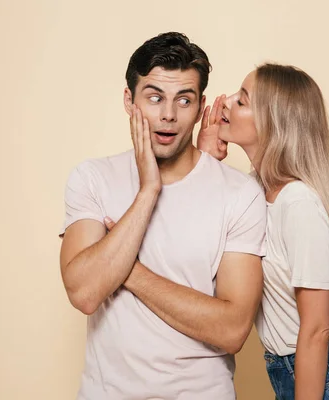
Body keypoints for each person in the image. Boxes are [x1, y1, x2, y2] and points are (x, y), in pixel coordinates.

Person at [58, 32, 267, 400]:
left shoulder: (239, 195)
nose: (168, 115)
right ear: (129, 100)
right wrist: (148, 192)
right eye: (154, 98)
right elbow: (85, 292)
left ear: (201, 105)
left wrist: (128, 270)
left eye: (183, 100)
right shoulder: (93, 178)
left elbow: (232, 330)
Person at [198, 63, 329, 400]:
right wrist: (205, 160)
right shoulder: (253, 191)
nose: (224, 101)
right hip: (293, 369)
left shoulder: (298, 203)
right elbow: (202, 252)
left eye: (242, 100)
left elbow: (315, 329)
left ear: (274, 123)